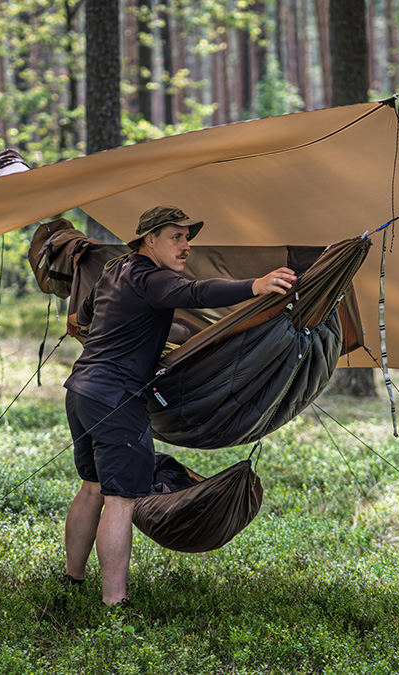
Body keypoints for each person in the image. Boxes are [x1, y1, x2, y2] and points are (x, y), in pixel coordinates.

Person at [62, 205, 297, 606]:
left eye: (188, 237)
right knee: (120, 500)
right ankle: (114, 605)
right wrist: (254, 285)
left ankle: (72, 580)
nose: (186, 246)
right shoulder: (152, 277)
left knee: (92, 489)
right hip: (117, 398)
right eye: (176, 237)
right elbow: (196, 291)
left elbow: (83, 315)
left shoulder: (114, 271)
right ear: (149, 240)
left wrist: (154, 329)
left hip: (81, 390)